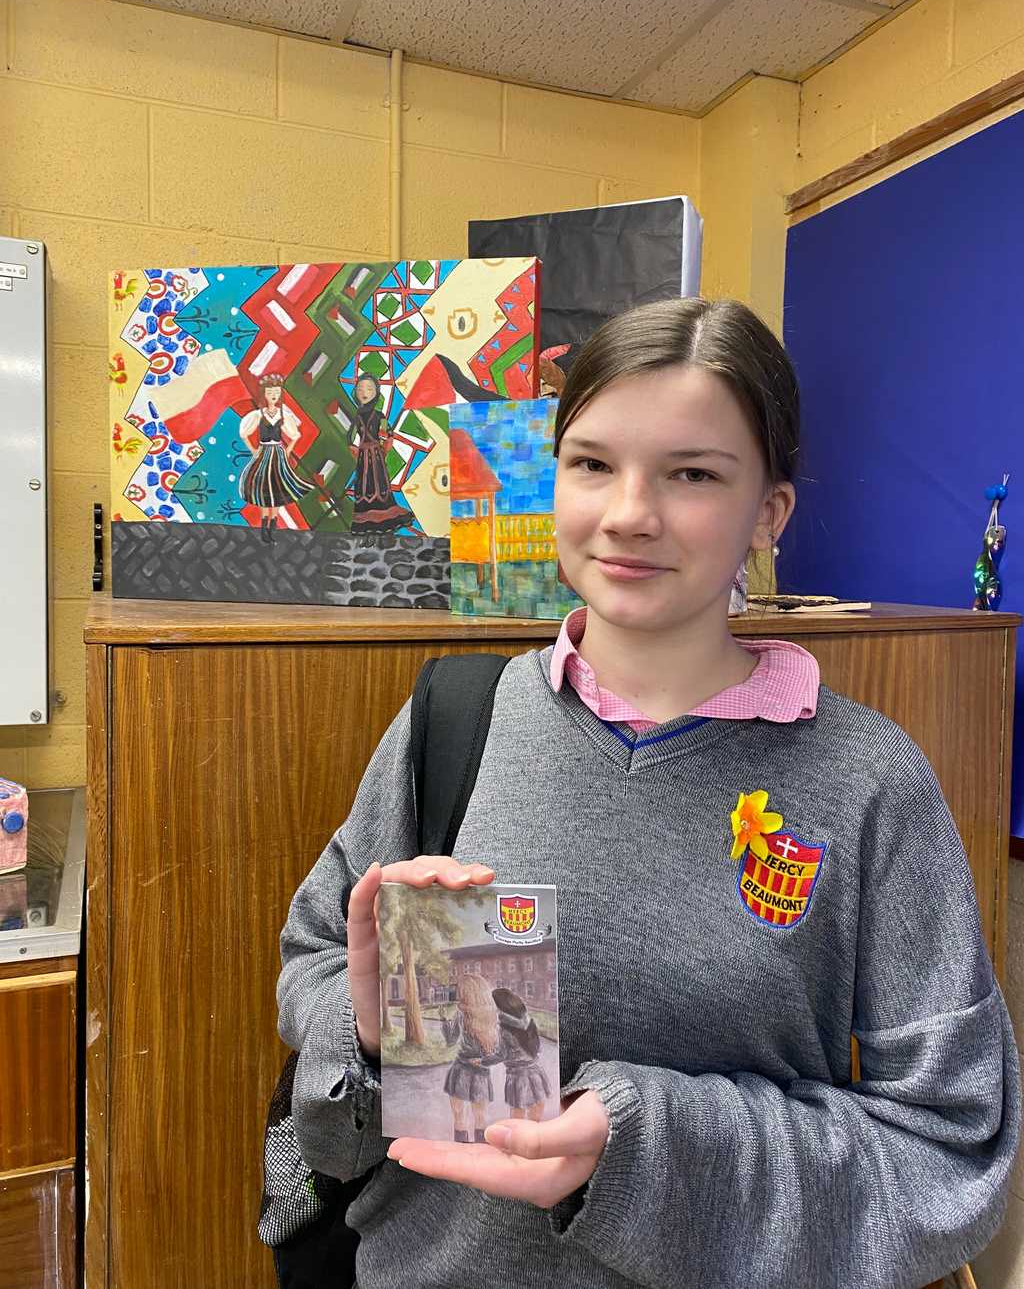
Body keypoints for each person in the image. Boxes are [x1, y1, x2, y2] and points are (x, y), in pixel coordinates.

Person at [276, 297, 1020, 1289]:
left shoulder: (867, 781)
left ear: (769, 512)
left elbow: (947, 1151)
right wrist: (371, 1026)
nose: (629, 512)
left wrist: (640, 1147)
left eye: (692, 474)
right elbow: (317, 962)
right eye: (592, 463)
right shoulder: (455, 720)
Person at [238, 374, 314, 540]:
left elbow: (295, 436)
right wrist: (253, 450)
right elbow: (244, 433)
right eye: (270, 392)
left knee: (278, 487)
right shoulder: (258, 415)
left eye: (277, 392)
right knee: (263, 488)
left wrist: (287, 451)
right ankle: (264, 525)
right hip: (264, 453)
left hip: (278, 455)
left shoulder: (283, 415)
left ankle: (273, 525)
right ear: (264, 394)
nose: (273, 395)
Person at [347, 375, 417, 533]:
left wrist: (384, 448)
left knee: (380, 484)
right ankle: (366, 522)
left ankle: (384, 520)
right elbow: (349, 437)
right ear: (355, 392)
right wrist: (355, 451)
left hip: (376, 455)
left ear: (376, 393)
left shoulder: (380, 416)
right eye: (360, 389)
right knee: (364, 485)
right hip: (363, 457)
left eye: (369, 389)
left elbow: (388, 435)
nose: (364, 393)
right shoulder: (357, 417)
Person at [439, 976, 503, 1142]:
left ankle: (460, 1149)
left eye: (461, 991)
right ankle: (480, 1149)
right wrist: (483, 1061)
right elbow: (498, 1051)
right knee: (480, 1117)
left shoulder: (462, 1015)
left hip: (461, 1069)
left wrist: (444, 1020)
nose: (459, 994)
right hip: (481, 1072)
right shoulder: (492, 1016)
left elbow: (450, 1040)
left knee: (459, 1116)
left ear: (467, 993)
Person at [492, 987, 552, 1122]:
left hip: (517, 1076)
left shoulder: (502, 1029)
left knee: (517, 1115)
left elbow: (501, 1054)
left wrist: (483, 1061)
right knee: (536, 1112)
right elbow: (538, 1048)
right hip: (536, 1071)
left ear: (499, 1007)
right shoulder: (528, 1021)